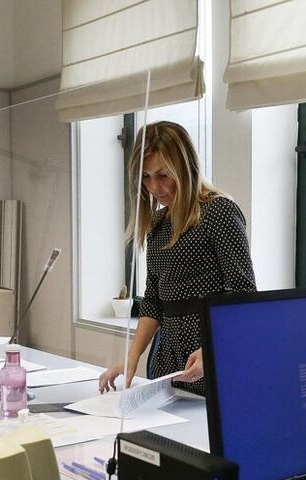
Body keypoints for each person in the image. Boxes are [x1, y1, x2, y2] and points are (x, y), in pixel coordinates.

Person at [98, 121, 256, 396]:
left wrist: (211, 348)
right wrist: (131, 358)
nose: (155, 187)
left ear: (186, 167)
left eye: (163, 175)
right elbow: (153, 301)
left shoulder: (218, 212)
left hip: (212, 353)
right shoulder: (158, 223)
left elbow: (243, 295)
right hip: (168, 356)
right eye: (146, 177)